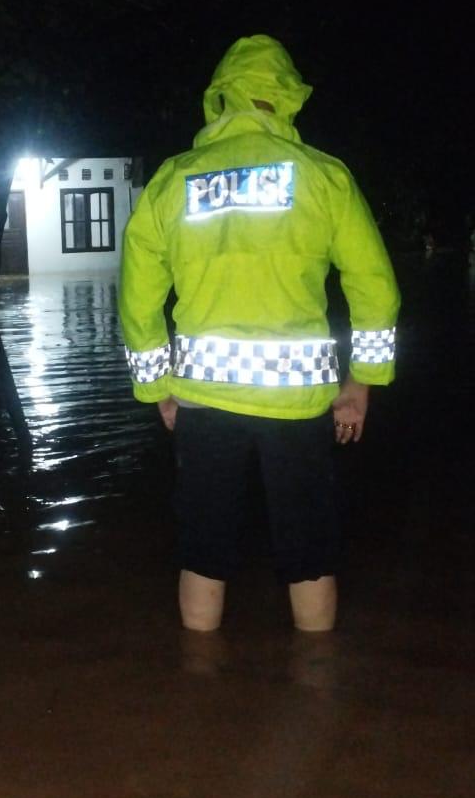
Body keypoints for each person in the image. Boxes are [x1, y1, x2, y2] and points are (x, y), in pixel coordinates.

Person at [118, 34, 400, 633]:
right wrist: (362, 381)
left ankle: (196, 679)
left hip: (202, 401)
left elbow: (138, 299)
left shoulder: (175, 179)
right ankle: (318, 677)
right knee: (309, 554)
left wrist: (157, 389)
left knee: (203, 553)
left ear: (221, 96)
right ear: (288, 97)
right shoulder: (323, 176)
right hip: (297, 405)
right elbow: (375, 287)